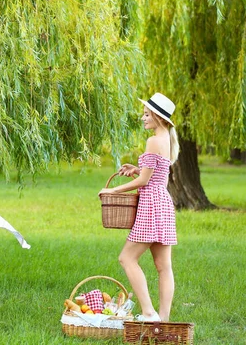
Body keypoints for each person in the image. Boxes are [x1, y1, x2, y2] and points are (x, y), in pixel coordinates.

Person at [99, 93, 180, 322]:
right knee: (164, 267)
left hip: (151, 206)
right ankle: (162, 319)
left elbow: (145, 182)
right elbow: (155, 174)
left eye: (146, 114)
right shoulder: (165, 138)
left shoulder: (153, 140)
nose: (142, 118)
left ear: (157, 116)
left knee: (127, 258)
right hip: (163, 204)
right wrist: (137, 168)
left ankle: (148, 312)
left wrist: (112, 190)